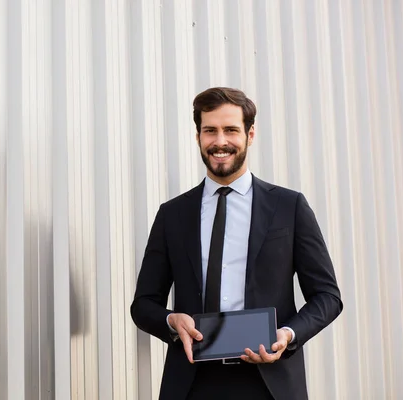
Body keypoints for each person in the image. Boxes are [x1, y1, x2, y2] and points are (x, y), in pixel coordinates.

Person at [130, 87, 343, 400]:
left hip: (271, 383)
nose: (220, 142)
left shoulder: (289, 206)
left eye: (231, 130)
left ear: (250, 134)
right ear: (198, 135)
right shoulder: (172, 215)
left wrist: (287, 335)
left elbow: (327, 296)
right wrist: (171, 321)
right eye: (210, 131)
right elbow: (144, 304)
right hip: (192, 384)